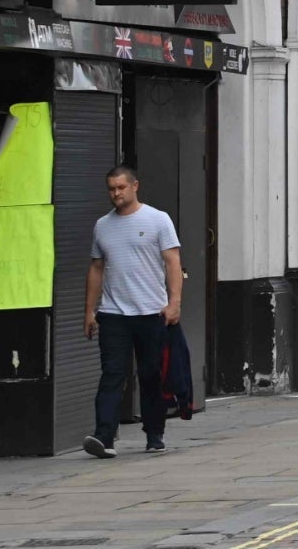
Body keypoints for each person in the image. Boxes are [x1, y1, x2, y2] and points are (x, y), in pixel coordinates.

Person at [83, 164, 184, 457]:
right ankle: (104, 438)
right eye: (111, 189)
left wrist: (174, 303)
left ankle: (154, 434)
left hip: (151, 312)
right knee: (112, 374)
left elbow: (173, 263)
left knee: (150, 374)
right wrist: (89, 312)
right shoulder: (102, 225)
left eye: (121, 188)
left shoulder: (157, 220)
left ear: (134, 186)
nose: (116, 193)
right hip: (113, 314)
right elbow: (96, 268)